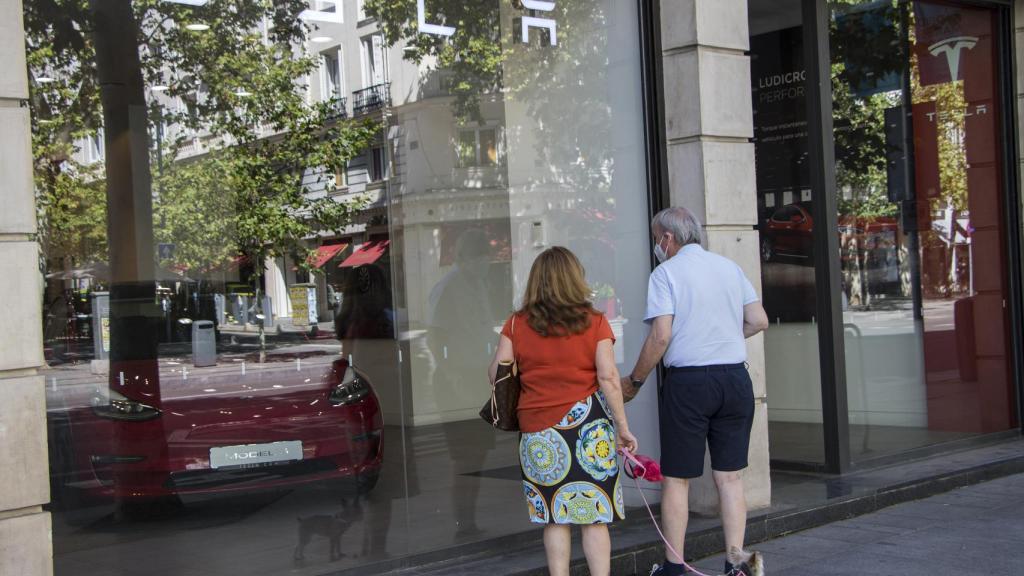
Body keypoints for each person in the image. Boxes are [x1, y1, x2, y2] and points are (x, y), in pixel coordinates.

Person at [621, 207, 769, 576]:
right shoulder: (729, 268)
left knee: (678, 478)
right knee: (730, 477)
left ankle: (674, 569)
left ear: (668, 238)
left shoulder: (666, 273)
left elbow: (661, 336)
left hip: (690, 383)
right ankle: (736, 564)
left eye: (657, 238)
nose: (657, 245)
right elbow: (758, 320)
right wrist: (723, 338)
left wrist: (635, 381)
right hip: (735, 379)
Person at [489, 246, 639, 576]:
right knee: (594, 517)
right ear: (575, 278)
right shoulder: (595, 322)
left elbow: (497, 372)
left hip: (537, 432)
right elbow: (608, 377)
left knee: (554, 516)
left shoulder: (516, 324)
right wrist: (623, 427)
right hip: (588, 430)